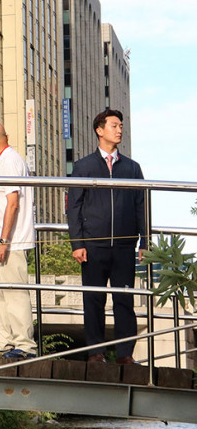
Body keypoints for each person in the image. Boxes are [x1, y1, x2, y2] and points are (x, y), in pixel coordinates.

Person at [67, 109, 146, 364]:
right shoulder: (83, 167)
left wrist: (145, 241)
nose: (119, 129)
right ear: (99, 130)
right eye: (114, 125)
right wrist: (77, 243)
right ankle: (96, 353)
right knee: (94, 300)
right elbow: (74, 207)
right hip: (93, 246)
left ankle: (125, 355)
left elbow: (142, 206)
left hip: (124, 247)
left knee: (124, 300)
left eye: (121, 125)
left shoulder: (132, 168)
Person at [0, 122, 37, 359]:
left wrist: (4, 240)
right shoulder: (2, 161)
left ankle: (24, 345)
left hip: (11, 241)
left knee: (15, 294)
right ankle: (3, 342)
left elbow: (12, 203)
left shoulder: (10, 160)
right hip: (0, 241)